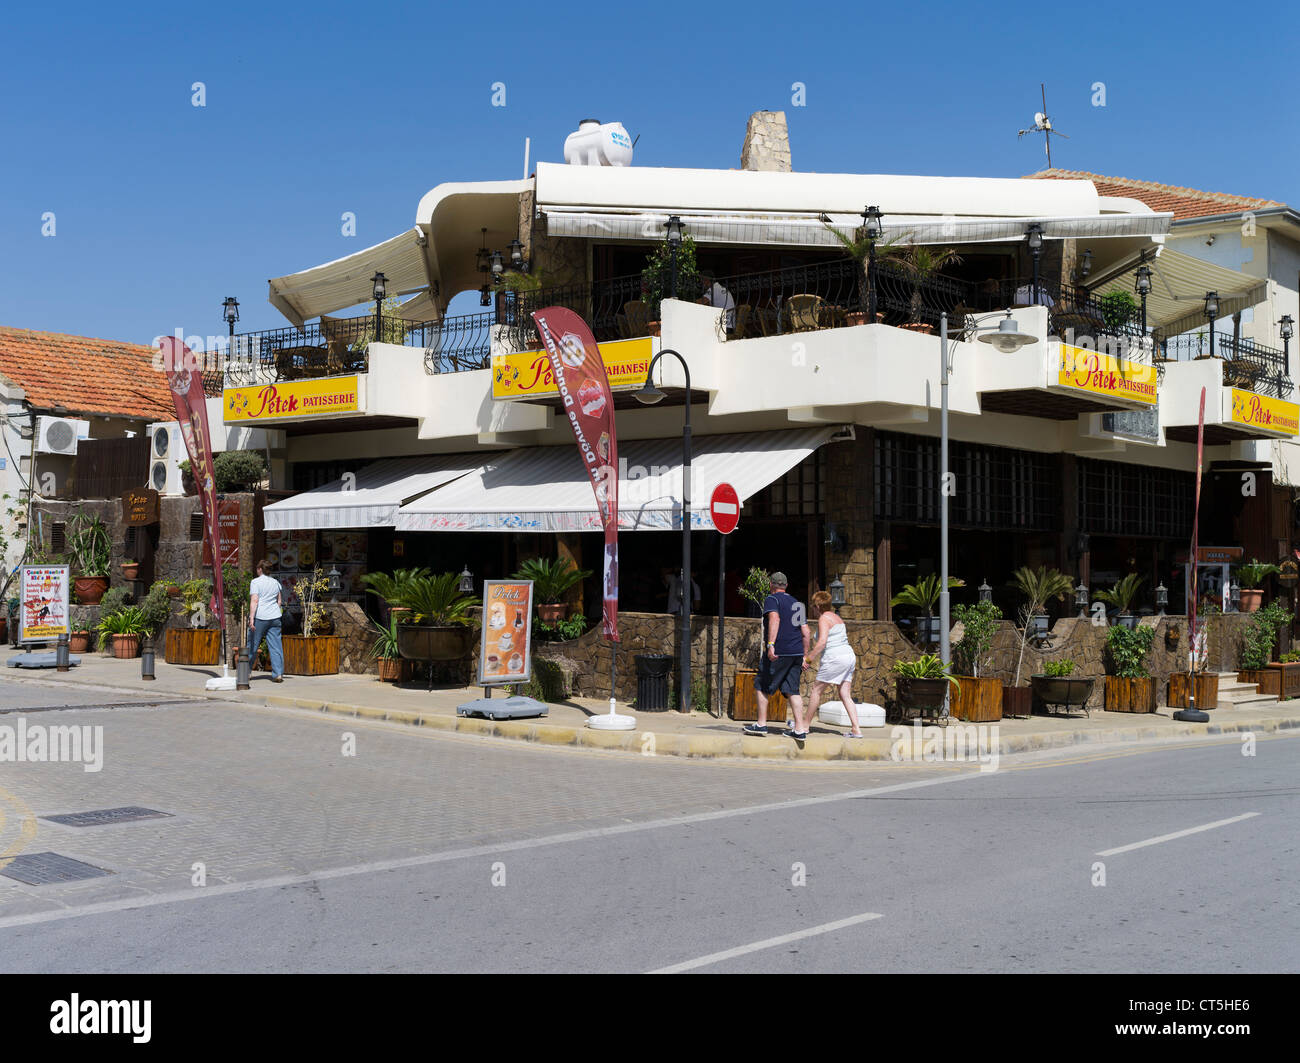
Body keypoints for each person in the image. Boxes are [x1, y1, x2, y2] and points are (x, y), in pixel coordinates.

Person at [743, 571, 810, 738]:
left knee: (761, 684)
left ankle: (761, 724)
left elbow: (774, 619)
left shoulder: (771, 599)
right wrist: (804, 656)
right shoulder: (798, 603)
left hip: (780, 651)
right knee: (792, 690)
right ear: (786, 585)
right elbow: (806, 632)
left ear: (771, 585)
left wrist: (771, 645)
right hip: (796, 653)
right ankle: (799, 729)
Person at [798, 590, 861, 737]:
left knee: (816, 690)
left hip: (835, 657)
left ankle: (805, 726)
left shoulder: (824, 619)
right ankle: (856, 729)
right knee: (845, 693)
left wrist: (808, 659)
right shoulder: (837, 618)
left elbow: (822, 643)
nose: (812, 609)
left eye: (813, 606)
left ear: (818, 606)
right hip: (849, 656)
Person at [247, 558, 285, 682]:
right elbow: (279, 601)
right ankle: (278, 674)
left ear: (260, 569)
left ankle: (246, 672)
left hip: (260, 617)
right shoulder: (276, 583)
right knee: (275, 646)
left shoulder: (255, 582)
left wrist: (251, 618)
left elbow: (254, 601)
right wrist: (274, 611)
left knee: (252, 644)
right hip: (275, 617)